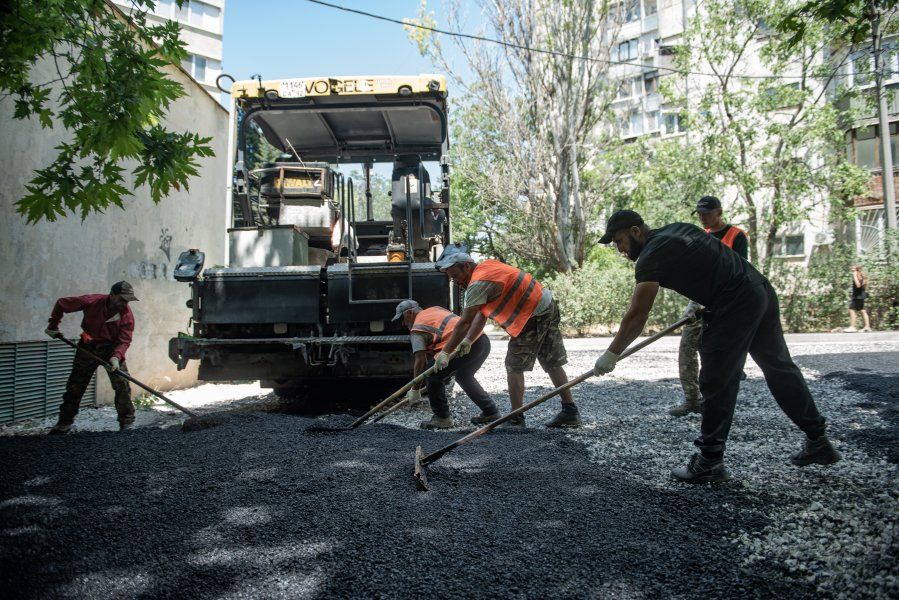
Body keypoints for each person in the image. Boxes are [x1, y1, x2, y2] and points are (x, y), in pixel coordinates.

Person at [593, 210, 840, 483]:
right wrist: (708, 303)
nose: (620, 249)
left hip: (736, 301)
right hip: (758, 290)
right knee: (778, 368)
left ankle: (709, 460)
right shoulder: (678, 229)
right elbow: (713, 265)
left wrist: (611, 354)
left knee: (716, 378)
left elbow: (637, 316)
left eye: (619, 241)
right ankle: (818, 440)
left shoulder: (650, 255)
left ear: (635, 231)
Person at [432, 248, 580, 428]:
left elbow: (464, 322)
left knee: (514, 365)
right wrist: (468, 340)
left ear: (466, 266)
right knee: (552, 362)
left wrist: (446, 352)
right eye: (451, 278)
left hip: (532, 314)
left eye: (455, 275)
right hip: (546, 304)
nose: (455, 281)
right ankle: (570, 412)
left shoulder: (478, 283)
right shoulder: (487, 267)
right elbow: (482, 314)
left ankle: (516, 419)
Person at [670, 195, 750, 417]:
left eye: (707, 213)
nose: (702, 217)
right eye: (699, 214)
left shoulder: (736, 236)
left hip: (727, 299)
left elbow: (740, 271)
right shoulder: (701, 237)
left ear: (719, 212)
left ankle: (716, 402)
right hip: (699, 298)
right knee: (687, 345)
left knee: (718, 351)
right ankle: (692, 400)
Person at [44, 281, 139, 434]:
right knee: (75, 385)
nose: (124, 303)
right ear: (112, 295)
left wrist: (116, 357)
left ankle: (126, 423)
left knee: (122, 384)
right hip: (88, 346)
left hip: (111, 350)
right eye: (122, 299)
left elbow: (124, 340)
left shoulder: (126, 315)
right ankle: (64, 423)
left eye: (127, 300)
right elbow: (62, 303)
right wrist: (53, 326)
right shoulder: (92, 301)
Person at [393, 299, 499, 429]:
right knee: (464, 377)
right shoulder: (435, 309)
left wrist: (415, 389)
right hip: (480, 340)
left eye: (402, 319)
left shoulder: (418, 328)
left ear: (409, 313)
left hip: (463, 346)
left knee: (432, 375)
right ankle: (491, 411)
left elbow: (420, 361)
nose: (403, 323)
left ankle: (442, 418)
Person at [845, 265, 872, 332]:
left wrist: (854, 276)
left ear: (856, 269)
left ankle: (853, 327)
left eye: (853, 268)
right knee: (862, 310)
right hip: (861, 294)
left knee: (851, 309)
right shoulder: (861, 275)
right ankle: (867, 327)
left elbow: (858, 285)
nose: (851, 269)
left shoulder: (857, 275)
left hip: (858, 295)